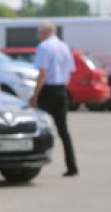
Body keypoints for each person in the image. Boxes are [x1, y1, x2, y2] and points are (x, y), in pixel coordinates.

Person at [30, 21, 78, 176]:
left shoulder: (44, 47)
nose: (38, 36)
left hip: (48, 90)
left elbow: (43, 73)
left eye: (39, 33)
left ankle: (32, 161)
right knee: (63, 131)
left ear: (45, 32)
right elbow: (69, 72)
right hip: (61, 90)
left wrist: (36, 94)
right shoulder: (64, 47)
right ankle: (72, 166)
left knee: (37, 127)